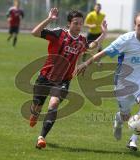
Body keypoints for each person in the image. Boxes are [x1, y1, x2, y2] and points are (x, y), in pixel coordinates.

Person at [77, 12, 140, 151]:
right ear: (135, 26)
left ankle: (133, 140)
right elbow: (104, 52)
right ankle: (118, 120)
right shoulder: (125, 39)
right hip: (123, 81)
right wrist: (86, 63)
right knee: (125, 115)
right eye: (139, 25)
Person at [29, 8, 107, 149]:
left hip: (63, 80)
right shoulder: (59, 34)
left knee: (53, 105)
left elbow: (91, 47)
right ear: (69, 24)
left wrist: (103, 34)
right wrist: (49, 19)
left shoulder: (81, 40)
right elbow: (34, 32)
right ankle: (35, 113)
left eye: (80, 23)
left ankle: (41, 137)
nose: (78, 26)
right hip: (45, 76)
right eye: (75, 23)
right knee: (37, 105)